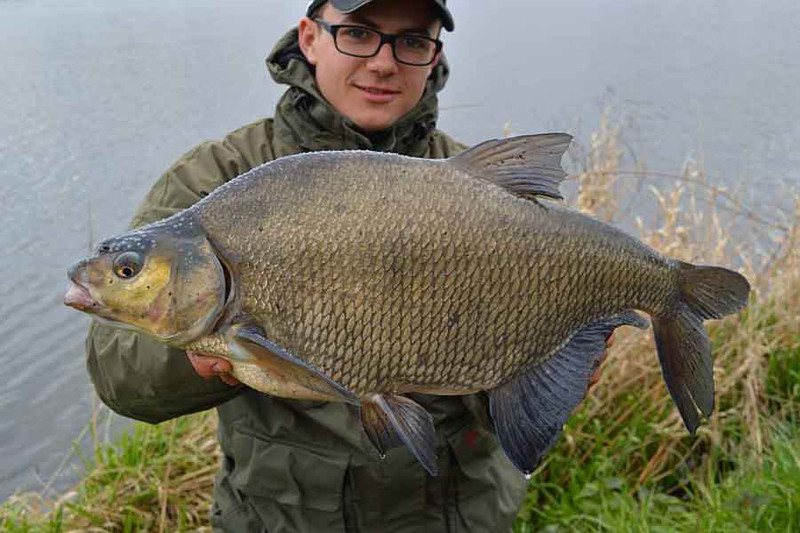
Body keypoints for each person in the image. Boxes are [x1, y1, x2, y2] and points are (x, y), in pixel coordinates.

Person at [86, 1, 610, 530]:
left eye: (410, 41)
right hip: (282, 518)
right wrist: (199, 354)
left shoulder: (478, 196)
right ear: (309, 37)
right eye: (358, 33)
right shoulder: (220, 178)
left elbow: (511, 404)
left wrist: (552, 363)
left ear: (435, 55)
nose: (383, 63)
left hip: (458, 515)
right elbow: (116, 372)